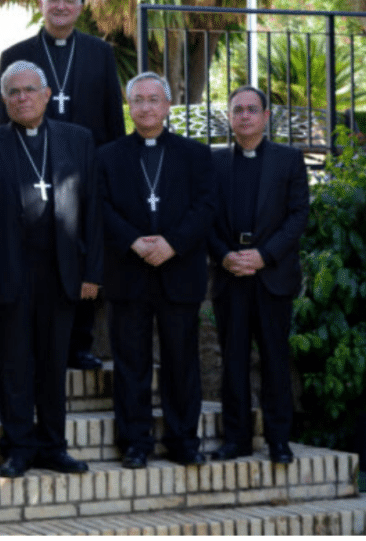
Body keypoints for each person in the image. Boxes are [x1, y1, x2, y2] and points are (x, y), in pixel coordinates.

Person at [0, 61, 101, 477]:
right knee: (12, 363)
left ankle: (53, 445)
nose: (21, 98)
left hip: (60, 272)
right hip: (8, 271)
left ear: (46, 95)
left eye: (29, 90)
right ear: (4, 99)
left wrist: (92, 272)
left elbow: (93, 211)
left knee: (52, 363)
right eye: (13, 92)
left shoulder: (77, 140)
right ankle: (18, 446)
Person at [0, 0, 125, 372]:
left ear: (82, 8)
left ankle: (80, 344)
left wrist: (109, 170)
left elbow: (112, 119)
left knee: (81, 254)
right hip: (30, 167)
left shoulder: (100, 53)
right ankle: (33, 341)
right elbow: (3, 121)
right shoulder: (16, 54)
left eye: (70, 0)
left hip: (84, 171)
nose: (62, 7)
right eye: (54, 0)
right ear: (41, 5)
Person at [96, 72, 214, 469]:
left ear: (166, 106)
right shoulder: (107, 155)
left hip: (179, 273)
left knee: (182, 361)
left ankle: (184, 441)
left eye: (153, 100)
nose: (145, 107)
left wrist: (172, 244)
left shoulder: (196, 154)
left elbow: (206, 207)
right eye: (138, 100)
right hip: (127, 274)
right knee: (131, 363)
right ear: (129, 107)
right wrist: (133, 240)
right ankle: (135, 442)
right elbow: (101, 207)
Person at [209, 86, 309, 465]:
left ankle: (278, 441)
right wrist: (225, 255)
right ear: (230, 117)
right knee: (232, 360)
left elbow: (298, 215)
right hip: (230, 273)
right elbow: (205, 216)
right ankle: (236, 439)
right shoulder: (214, 163)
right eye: (238, 110)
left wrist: (263, 256)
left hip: (272, 275)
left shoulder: (288, 159)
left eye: (253, 110)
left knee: (274, 359)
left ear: (266, 117)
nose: (245, 116)